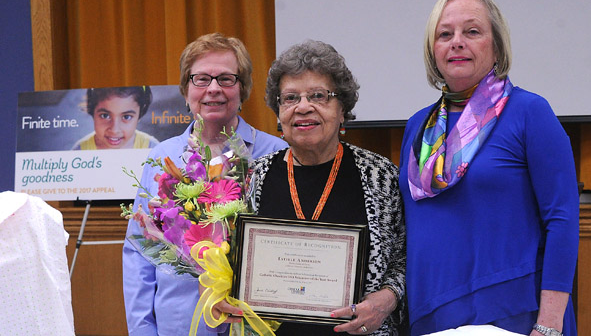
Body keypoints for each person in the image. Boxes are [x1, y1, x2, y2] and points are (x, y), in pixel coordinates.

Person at [397, 0, 579, 335]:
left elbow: (563, 219)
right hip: (430, 314)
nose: (457, 42)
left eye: (473, 31)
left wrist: (550, 322)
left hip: (516, 313)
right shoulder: (417, 126)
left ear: (496, 45)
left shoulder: (529, 112)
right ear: (432, 50)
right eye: (445, 34)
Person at [209, 40, 406, 336]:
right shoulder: (253, 176)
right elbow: (232, 258)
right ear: (279, 113)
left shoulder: (381, 175)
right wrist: (224, 292)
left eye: (319, 96)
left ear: (342, 110)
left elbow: (407, 259)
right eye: (290, 98)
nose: (303, 107)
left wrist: (387, 299)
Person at [122, 33, 288, 336]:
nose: (213, 89)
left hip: (251, 323)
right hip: (180, 325)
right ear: (186, 91)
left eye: (226, 79)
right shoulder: (162, 158)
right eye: (201, 79)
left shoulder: (277, 155)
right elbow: (140, 252)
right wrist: (142, 330)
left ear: (243, 89)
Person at [72, 86, 159, 150]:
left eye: (126, 117)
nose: (114, 130)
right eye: (105, 116)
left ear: (140, 114)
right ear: (92, 111)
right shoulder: (80, 151)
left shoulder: (152, 149)